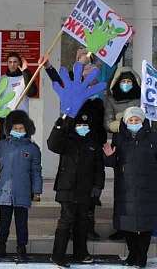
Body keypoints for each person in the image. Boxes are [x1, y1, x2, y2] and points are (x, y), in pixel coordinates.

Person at [43, 48, 106, 238]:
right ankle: (70, 229)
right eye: (85, 71)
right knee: (72, 189)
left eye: (92, 75)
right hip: (71, 144)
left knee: (90, 192)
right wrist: (48, 66)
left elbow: (100, 125)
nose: (89, 77)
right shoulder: (72, 90)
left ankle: (89, 227)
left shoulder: (97, 102)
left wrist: (99, 142)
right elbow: (57, 81)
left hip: (91, 146)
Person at [0, 109, 43, 261]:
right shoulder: (2, 145)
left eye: (21, 128)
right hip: (4, 192)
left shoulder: (33, 149)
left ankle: (22, 247)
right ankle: (1, 245)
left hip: (23, 192)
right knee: (4, 222)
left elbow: (36, 171)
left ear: (27, 129)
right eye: (15, 128)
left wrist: (37, 191)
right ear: (9, 129)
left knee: (21, 223)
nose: (18, 131)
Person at [47, 110, 105, 267]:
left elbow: (99, 168)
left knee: (82, 221)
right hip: (66, 188)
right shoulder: (66, 140)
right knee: (66, 220)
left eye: (85, 125)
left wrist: (98, 187)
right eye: (79, 124)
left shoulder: (94, 143)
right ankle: (58, 255)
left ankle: (80, 253)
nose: (82, 127)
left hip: (86, 190)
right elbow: (52, 144)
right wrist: (59, 125)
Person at [103, 107, 157, 268]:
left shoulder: (153, 137)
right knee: (127, 224)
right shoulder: (119, 138)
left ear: (143, 121)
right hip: (125, 187)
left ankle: (142, 256)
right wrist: (109, 157)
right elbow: (112, 163)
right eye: (131, 120)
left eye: (137, 120)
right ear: (125, 122)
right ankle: (133, 254)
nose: (134, 123)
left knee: (146, 224)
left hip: (149, 187)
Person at [1, 52, 38, 131]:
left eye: (15, 62)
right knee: (5, 143)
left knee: (21, 143)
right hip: (5, 118)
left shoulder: (24, 77)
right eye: (10, 62)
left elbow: (32, 93)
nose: (12, 65)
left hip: (21, 119)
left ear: (19, 63)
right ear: (7, 63)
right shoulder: (2, 79)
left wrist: (25, 71)